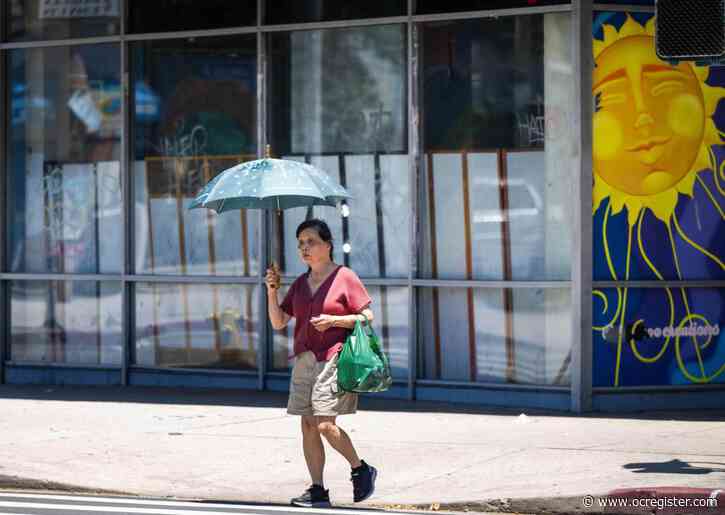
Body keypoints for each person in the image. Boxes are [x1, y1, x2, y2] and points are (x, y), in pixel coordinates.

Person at [266, 218, 378, 508]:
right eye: (301, 243)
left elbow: (367, 316)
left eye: (311, 241)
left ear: (327, 246)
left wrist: (335, 321)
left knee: (326, 424)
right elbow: (279, 322)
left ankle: (360, 468)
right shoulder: (301, 284)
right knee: (307, 424)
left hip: (334, 358)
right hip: (304, 359)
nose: (305, 247)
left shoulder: (344, 277)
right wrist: (272, 290)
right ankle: (317, 490)